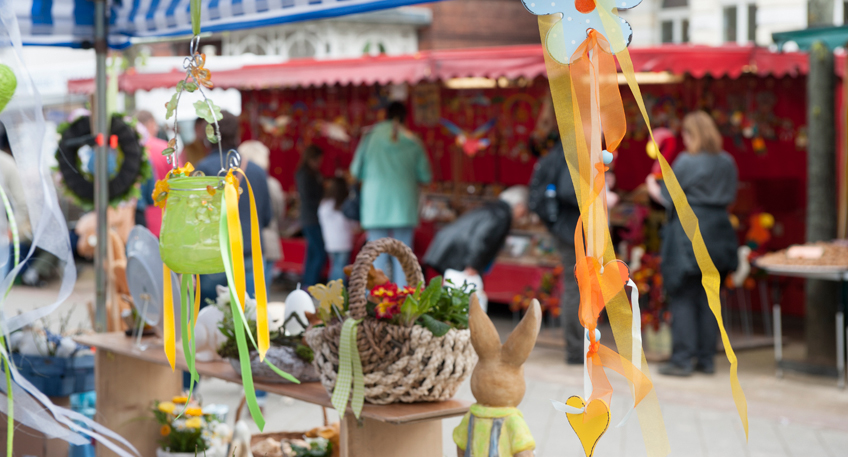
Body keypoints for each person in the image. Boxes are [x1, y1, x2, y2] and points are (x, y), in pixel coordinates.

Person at [648, 111, 739, 377]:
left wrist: (653, 189)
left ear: (691, 135)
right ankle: (706, 360)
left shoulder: (687, 161)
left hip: (690, 233)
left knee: (684, 297)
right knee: (710, 300)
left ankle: (682, 360)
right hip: (720, 232)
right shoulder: (727, 162)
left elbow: (668, 196)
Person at [350, 101, 432, 286]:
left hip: (374, 207)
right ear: (405, 117)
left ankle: (374, 305)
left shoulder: (370, 137)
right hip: (404, 206)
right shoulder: (413, 140)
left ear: (384, 115)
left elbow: (355, 171)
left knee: (376, 257)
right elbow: (425, 176)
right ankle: (403, 305)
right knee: (404, 259)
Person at [195, 111, 272, 306]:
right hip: (250, 255)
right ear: (238, 134)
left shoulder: (203, 169)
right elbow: (267, 217)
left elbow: (196, 218)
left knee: (211, 323)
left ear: (208, 137)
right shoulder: (256, 171)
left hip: (215, 257)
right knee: (251, 322)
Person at [528, 142, 583, 364]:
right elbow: (569, 190)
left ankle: (579, 347)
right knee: (576, 289)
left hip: (566, 229)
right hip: (574, 230)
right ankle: (577, 349)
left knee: (576, 287)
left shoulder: (559, 152)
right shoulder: (576, 152)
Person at [424, 186, 528, 278]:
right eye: (525, 209)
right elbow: (481, 238)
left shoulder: (495, 208)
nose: (524, 214)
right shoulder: (502, 215)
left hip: (449, 245)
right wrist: (472, 265)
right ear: (519, 205)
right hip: (456, 250)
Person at [238, 140, 285, 287]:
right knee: (260, 296)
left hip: (241, 242)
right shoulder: (271, 183)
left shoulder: (233, 181)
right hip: (266, 242)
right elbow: (276, 213)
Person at [296, 145, 326, 287]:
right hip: (311, 218)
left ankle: (307, 284)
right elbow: (308, 197)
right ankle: (311, 284)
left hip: (312, 217)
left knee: (313, 253)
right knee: (319, 254)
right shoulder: (305, 174)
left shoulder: (311, 173)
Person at [318, 177, 356, 282]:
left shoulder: (324, 204)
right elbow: (352, 224)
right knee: (340, 267)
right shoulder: (344, 204)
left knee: (334, 266)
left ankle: (331, 291)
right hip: (344, 241)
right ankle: (339, 292)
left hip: (330, 241)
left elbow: (321, 221)